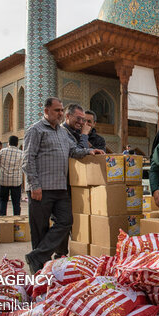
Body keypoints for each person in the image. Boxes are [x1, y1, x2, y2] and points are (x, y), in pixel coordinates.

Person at [22, 97, 103, 273]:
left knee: (66, 221)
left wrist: (90, 151)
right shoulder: (36, 130)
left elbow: (73, 151)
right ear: (46, 111)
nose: (59, 113)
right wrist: (34, 185)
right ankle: (39, 267)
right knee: (40, 228)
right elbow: (27, 159)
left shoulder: (62, 133)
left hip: (60, 187)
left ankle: (37, 255)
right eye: (56, 110)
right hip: (41, 188)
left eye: (61, 110)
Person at [0, 135, 23, 216]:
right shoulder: (21, 153)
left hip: (4, 181)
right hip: (16, 181)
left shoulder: (2, 151)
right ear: (17, 143)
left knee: (3, 201)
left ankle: (3, 219)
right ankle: (17, 219)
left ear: (8, 143)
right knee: (16, 203)